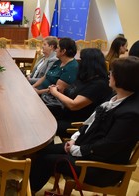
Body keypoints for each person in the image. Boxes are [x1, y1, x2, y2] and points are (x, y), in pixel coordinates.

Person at [30, 56, 139, 193]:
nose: (109, 74)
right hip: (86, 149)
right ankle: (27, 186)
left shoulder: (132, 114)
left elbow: (108, 146)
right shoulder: (116, 98)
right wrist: (74, 139)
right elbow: (89, 123)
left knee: (45, 160)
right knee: (42, 149)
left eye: (112, 72)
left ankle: (26, 190)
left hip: (101, 168)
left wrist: (75, 149)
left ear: (123, 78)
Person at [49, 48, 113, 138]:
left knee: (45, 125)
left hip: (78, 123)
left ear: (88, 63)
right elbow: (71, 92)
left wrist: (55, 93)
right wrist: (59, 90)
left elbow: (73, 105)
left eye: (81, 60)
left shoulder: (99, 84)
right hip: (65, 114)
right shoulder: (85, 77)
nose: (79, 63)